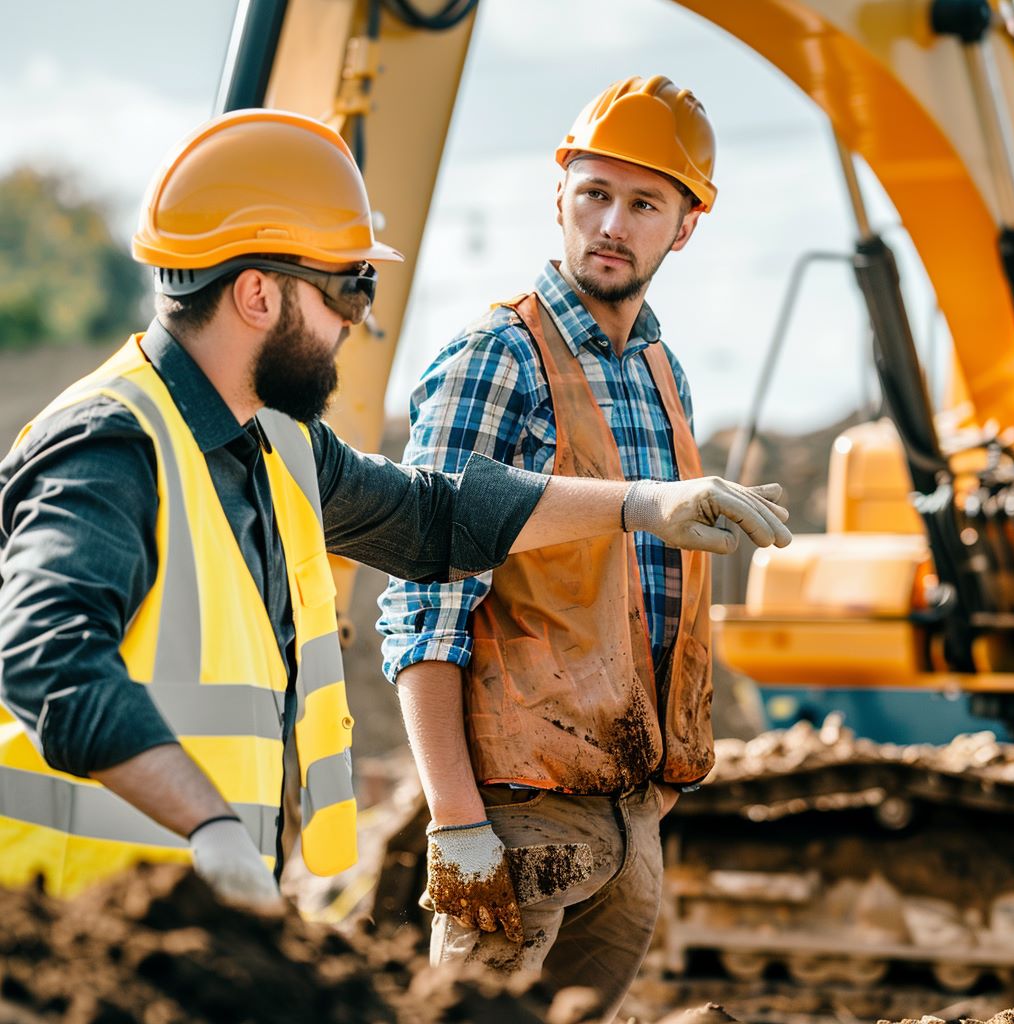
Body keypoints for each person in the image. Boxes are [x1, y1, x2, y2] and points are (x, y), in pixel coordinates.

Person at [0, 107, 788, 910]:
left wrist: (643, 506)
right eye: (349, 285)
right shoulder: (110, 444)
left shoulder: (277, 445)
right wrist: (207, 825)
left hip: (181, 921)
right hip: (55, 924)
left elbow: (435, 519)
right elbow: (46, 659)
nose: (359, 320)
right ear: (257, 294)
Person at [377, 76, 755, 1017]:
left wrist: (652, 802)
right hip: (513, 817)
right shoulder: (496, 357)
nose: (612, 224)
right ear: (559, 199)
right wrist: (459, 825)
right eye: (594, 194)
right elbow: (423, 599)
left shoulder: (662, 374)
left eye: (644, 203)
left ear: (686, 226)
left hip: (628, 816)